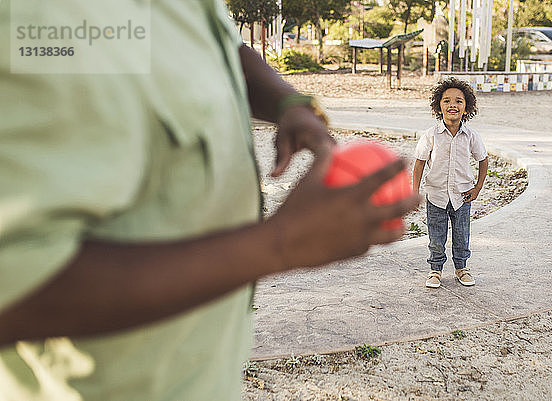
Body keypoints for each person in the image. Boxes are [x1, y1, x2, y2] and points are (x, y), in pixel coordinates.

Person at [0, 1, 420, 400]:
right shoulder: (38, 16)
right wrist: (284, 242)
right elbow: (14, 294)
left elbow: (213, 46)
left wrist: (287, 102)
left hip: (200, 374)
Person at [412, 77, 489, 289]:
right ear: (439, 106)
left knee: (461, 235)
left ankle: (461, 268)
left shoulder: (471, 136)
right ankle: (435, 270)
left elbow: (483, 159)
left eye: (458, 101)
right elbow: (419, 164)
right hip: (435, 195)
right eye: (446, 101)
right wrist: (413, 192)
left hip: (462, 196)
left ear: (467, 108)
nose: (452, 105)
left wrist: (478, 187)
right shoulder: (431, 135)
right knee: (436, 237)